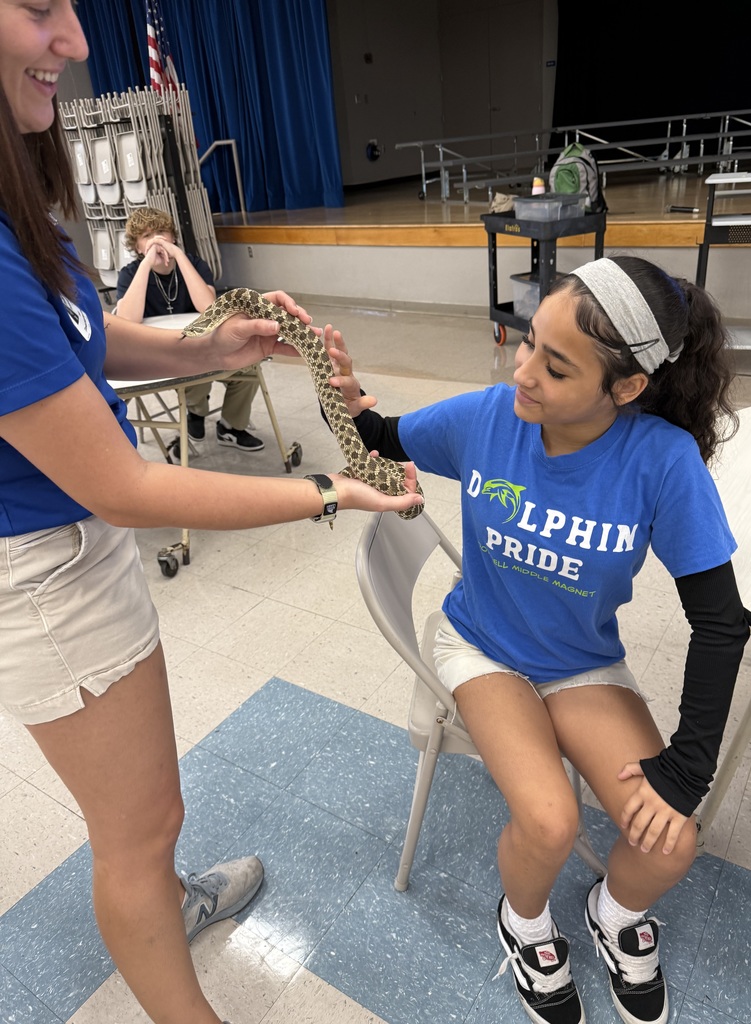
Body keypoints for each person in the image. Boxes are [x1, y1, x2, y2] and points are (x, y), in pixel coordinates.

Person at [0, 5, 422, 1024]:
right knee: (136, 832)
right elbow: (128, 486)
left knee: (149, 814)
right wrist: (328, 488)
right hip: (44, 575)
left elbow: (78, 339)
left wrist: (206, 347)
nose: (78, 41)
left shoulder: (15, 193)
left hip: (75, 549)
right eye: (40, 7)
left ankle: (167, 902)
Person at [323, 254, 750, 1024]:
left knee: (669, 843)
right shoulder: (491, 418)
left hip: (581, 664)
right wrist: (342, 394)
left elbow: (720, 622)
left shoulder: (661, 461)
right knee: (549, 820)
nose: (522, 373)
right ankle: (525, 925)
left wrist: (686, 770)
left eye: (554, 368)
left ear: (625, 388)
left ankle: (613, 916)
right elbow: (380, 437)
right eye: (527, 344)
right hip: (481, 646)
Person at [116, 205, 264, 461]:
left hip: (204, 343)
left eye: (162, 232)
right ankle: (196, 413)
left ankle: (230, 426)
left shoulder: (193, 264)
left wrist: (179, 257)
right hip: (162, 352)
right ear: (137, 246)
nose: (156, 239)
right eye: (147, 236)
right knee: (195, 366)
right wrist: (147, 263)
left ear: (173, 236)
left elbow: (209, 307)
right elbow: (127, 320)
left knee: (248, 368)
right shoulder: (130, 274)